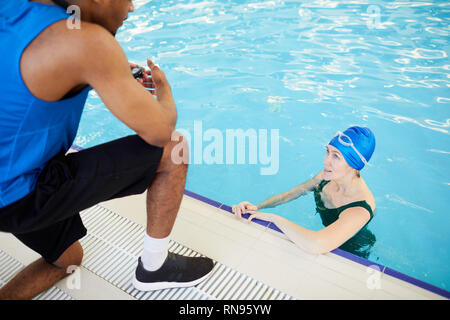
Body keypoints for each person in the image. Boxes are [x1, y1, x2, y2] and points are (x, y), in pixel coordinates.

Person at [0, 0, 213, 300]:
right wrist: (164, 92)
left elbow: (33, 64)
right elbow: (160, 131)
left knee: (68, 259)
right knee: (173, 149)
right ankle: (154, 267)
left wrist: (102, 73)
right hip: (19, 198)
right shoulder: (88, 43)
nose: (131, 8)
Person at [233, 126, 377, 259]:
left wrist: (273, 218)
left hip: (352, 250)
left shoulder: (360, 210)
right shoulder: (327, 176)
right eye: (328, 151)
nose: (325, 161)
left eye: (336, 156)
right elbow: (291, 194)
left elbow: (316, 245)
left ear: (354, 164)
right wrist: (257, 207)